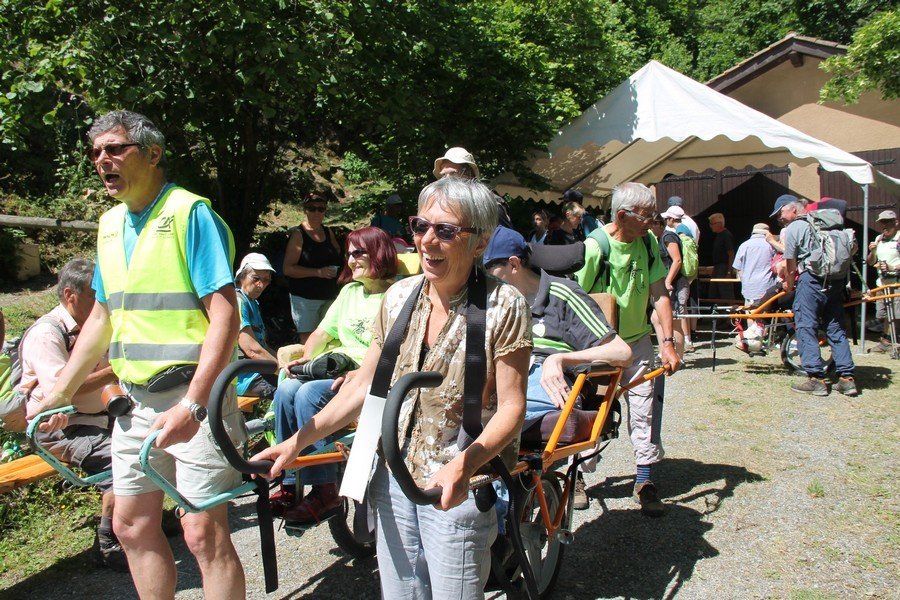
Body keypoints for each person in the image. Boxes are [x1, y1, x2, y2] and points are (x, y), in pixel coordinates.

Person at [254, 178, 532, 597]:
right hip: (393, 476)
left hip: (457, 483)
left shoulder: (504, 304)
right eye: (421, 226)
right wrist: (297, 441)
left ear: (479, 243)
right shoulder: (399, 295)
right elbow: (364, 385)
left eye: (446, 231)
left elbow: (512, 408)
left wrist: (465, 465)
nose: (427, 241)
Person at [27, 110, 247, 599]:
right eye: (96, 152)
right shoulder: (109, 224)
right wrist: (58, 391)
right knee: (130, 526)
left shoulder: (190, 214)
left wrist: (194, 403)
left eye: (114, 149)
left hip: (194, 396)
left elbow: (226, 318)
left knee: (203, 533)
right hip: (135, 401)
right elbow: (101, 319)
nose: (102, 160)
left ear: (152, 154)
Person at [483, 226, 631, 510]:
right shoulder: (496, 301)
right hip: (506, 375)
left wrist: (559, 359)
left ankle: (501, 522)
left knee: (498, 421)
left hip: (547, 378)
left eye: (490, 270)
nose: (486, 280)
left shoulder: (562, 293)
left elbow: (621, 351)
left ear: (513, 264)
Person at [271, 227, 397, 523]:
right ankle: (290, 481)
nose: (351, 260)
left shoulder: (394, 295)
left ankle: (325, 488)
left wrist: (360, 373)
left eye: (358, 253)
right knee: (287, 389)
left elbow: (393, 350)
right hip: (336, 366)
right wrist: (303, 357)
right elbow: (321, 333)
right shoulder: (349, 292)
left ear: (378, 253)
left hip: (367, 373)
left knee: (308, 393)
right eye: (348, 254)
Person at [574, 182, 682, 516]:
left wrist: (667, 342)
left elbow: (660, 293)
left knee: (645, 410)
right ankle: (577, 476)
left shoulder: (648, 242)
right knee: (592, 411)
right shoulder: (595, 248)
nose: (654, 222)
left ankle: (645, 479)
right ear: (622, 215)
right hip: (601, 347)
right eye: (648, 216)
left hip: (638, 341)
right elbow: (573, 302)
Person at [19, 258, 124, 570]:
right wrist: (115, 370)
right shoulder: (46, 334)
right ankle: (108, 541)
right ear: (70, 295)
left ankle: (138, 520)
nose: (102, 305)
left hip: (101, 416)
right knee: (121, 457)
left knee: (149, 439)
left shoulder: (95, 326)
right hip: (60, 427)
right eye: (96, 297)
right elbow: (60, 395)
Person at [771, 195, 857, 397]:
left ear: (792, 209)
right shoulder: (828, 225)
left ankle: (816, 378)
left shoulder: (796, 227)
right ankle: (847, 378)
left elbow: (790, 263)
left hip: (812, 281)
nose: (780, 218)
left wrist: (790, 286)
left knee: (805, 326)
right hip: (835, 282)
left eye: (781, 213)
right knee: (835, 327)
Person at [283, 192, 344, 343]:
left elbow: (339, 253)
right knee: (309, 339)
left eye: (321, 209)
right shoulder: (298, 234)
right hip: (305, 297)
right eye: (312, 208)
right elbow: (288, 269)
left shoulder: (328, 232)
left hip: (329, 294)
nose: (316, 212)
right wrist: (318, 272)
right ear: (305, 210)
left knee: (330, 338)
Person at [234, 253, 278, 398]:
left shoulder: (252, 302)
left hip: (256, 372)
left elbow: (263, 347)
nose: (261, 285)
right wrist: (282, 369)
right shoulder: (238, 301)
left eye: (266, 280)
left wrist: (289, 364)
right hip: (242, 379)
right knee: (290, 391)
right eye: (256, 278)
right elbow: (252, 350)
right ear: (241, 277)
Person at [649, 208, 689, 352]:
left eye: (650, 224)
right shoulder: (659, 238)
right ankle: (664, 352)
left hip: (675, 284)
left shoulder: (668, 237)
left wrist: (668, 281)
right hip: (669, 283)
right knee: (656, 318)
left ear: (658, 224)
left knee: (675, 320)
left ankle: (678, 356)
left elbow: (677, 260)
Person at [668, 196, 700, 349]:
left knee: (680, 307)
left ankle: (685, 341)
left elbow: (678, 258)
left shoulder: (679, 231)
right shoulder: (691, 224)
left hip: (681, 272)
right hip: (688, 271)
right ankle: (688, 338)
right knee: (684, 305)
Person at [866, 210, 900, 353]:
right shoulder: (879, 239)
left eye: (887, 222)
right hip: (882, 282)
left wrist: (893, 267)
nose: (884, 226)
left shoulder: (899, 239)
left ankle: (891, 342)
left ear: (896, 223)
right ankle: (887, 341)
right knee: (882, 314)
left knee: (897, 315)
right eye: (882, 223)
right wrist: (872, 252)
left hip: (896, 281)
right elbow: (870, 262)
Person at [733, 223, 777, 307]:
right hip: (767, 288)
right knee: (765, 317)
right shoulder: (772, 246)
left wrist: (745, 281)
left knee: (750, 316)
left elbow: (738, 268)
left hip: (749, 289)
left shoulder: (743, 246)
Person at [707, 212, 736, 301]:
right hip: (718, 267)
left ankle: (732, 313)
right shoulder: (719, 236)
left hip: (724, 268)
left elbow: (731, 254)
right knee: (714, 293)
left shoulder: (726, 235)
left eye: (712, 224)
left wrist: (728, 271)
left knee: (726, 293)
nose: (710, 226)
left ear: (719, 223)